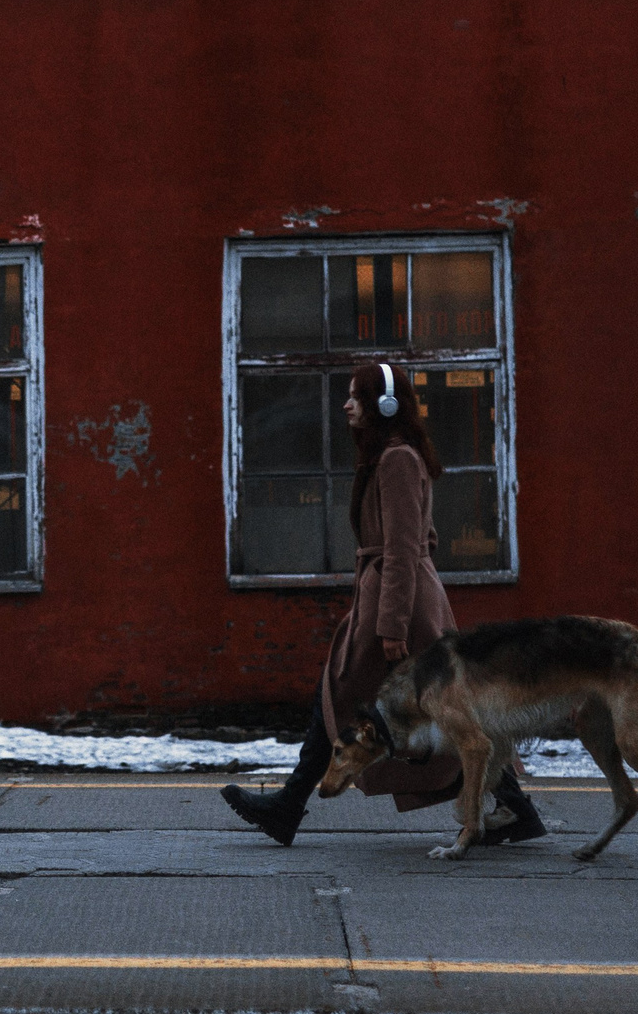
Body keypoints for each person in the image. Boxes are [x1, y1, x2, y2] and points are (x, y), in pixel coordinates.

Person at [220, 360, 545, 846]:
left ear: (384, 406)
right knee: (373, 698)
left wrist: (392, 624)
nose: (347, 405)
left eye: (356, 396)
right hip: (393, 597)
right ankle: (289, 806)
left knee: (410, 704)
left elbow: (403, 548)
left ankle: (512, 805)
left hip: (400, 605)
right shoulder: (391, 457)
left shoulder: (396, 460)